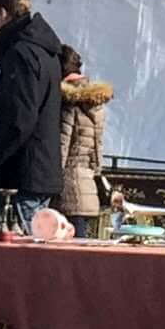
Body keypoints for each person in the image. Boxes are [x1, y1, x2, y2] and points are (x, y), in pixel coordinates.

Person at [0, 0, 67, 231]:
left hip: (24, 174)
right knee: (36, 243)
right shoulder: (46, 51)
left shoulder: (21, 54)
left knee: (22, 245)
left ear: (3, 12)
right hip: (43, 170)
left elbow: (20, 120)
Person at [56, 47, 111, 224]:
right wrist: (96, 170)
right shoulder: (96, 102)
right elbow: (98, 146)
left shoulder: (69, 102)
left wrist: (53, 178)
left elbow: (62, 144)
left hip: (69, 180)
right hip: (88, 180)